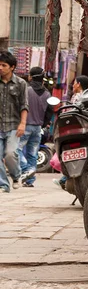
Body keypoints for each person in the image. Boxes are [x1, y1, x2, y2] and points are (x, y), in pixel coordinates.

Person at [16, 67, 52, 187]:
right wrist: (43, 124)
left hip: (24, 126)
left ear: (31, 77)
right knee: (32, 154)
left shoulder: (26, 90)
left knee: (15, 150)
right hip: (38, 128)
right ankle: (29, 181)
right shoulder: (47, 93)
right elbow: (49, 112)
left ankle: (27, 170)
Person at [0, 51, 28, 192]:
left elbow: (24, 105)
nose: (0, 68)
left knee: (10, 154)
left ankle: (16, 176)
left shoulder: (21, 83)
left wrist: (22, 124)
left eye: (3, 65)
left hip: (13, 126)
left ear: (12, 67)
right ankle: (4, 185)